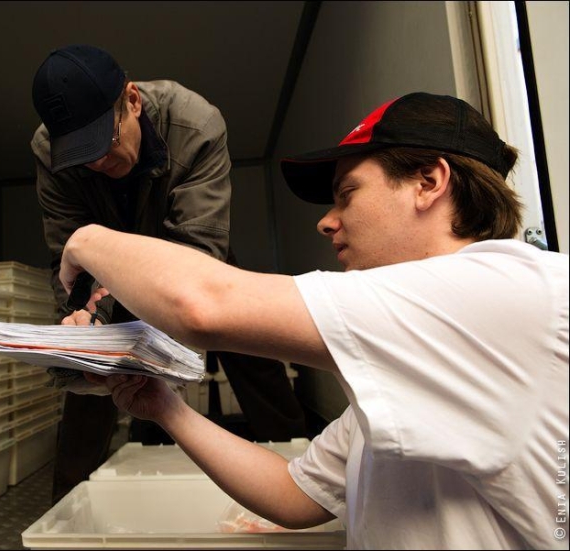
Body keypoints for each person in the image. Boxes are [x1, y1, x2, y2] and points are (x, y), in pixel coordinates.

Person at [58, 92, 569, 549]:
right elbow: (297, 497)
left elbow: (202, 304)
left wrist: (87, 239)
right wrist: (165, 408)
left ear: (428, 182)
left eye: (347, 194)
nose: (327, 221)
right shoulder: (418, 357)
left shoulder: (504, 291)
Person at [30, 44, 306, 503]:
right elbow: (67, 251)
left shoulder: (195, 124)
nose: (96, 162)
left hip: (189, 249)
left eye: (104, 143)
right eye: (82, 154)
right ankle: (67, 510)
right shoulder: (48, 151)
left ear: (132, 100)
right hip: (99, 262)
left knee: (250, 341)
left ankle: (297, 468)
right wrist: (81, 324)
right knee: (89, 368)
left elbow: (198, 255)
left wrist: (116, 309)